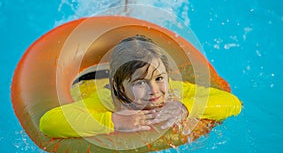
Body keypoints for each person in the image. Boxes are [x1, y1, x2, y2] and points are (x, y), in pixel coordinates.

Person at [39, 35, 241, 138]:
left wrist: (185, 107)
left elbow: (232, 103)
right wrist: (113, 121)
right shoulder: (107, 102)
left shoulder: (173, 90)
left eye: (159, 79)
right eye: (141, 83)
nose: (154, 90)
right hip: (88, 81)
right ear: (120, 88)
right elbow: (48, 123)